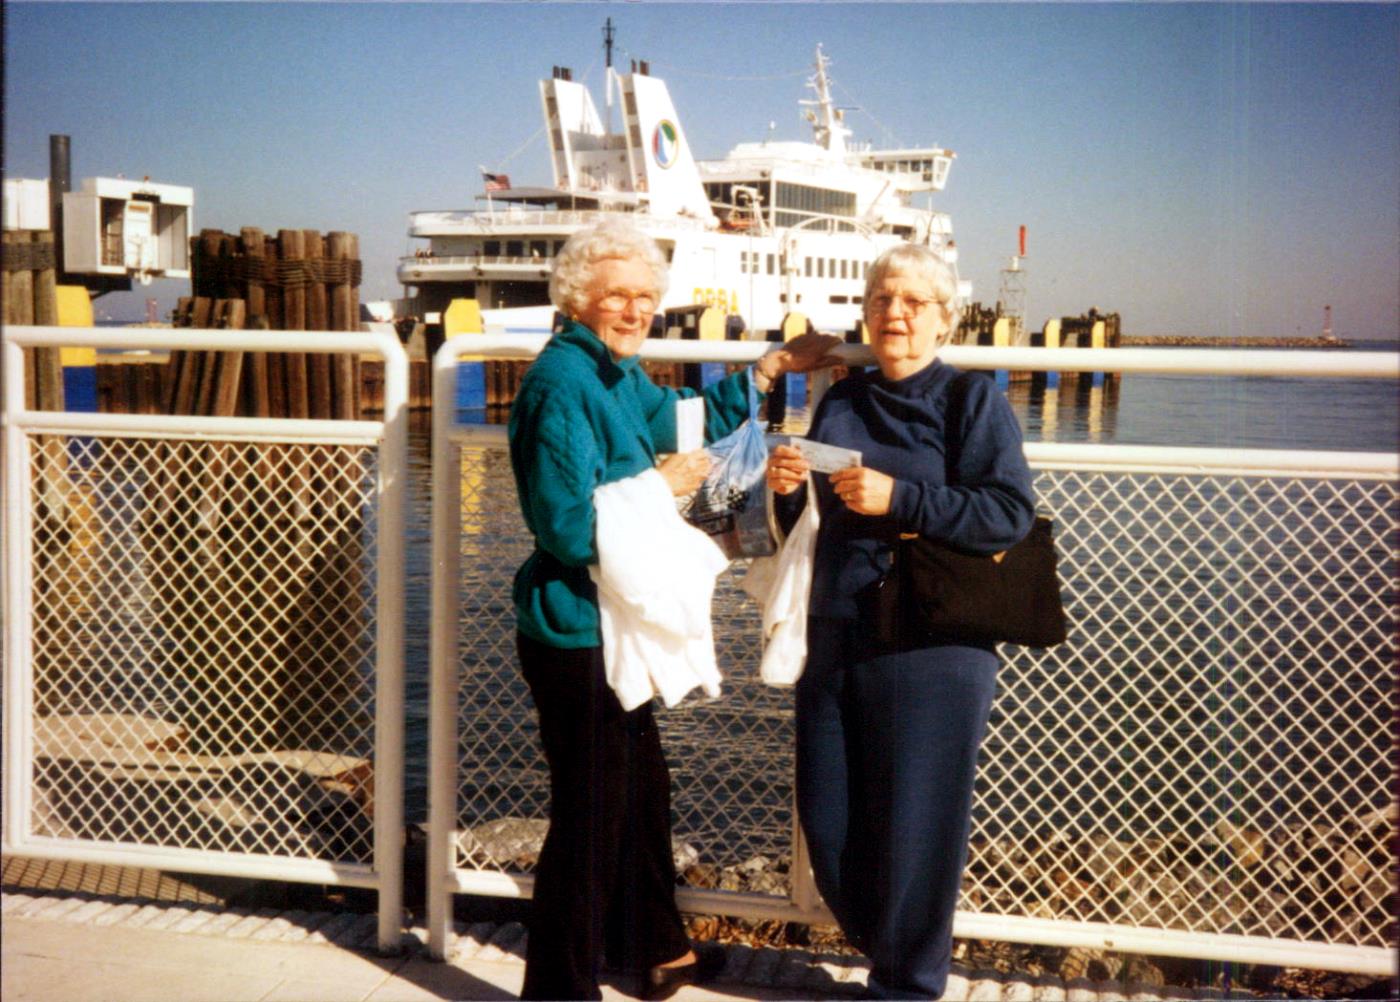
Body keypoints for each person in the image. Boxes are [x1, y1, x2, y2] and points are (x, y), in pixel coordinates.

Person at [508, 217, 840, 1001]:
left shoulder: (612, 372)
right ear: (577, 299)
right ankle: (558, 989)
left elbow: (677, 419)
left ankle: (654, 948)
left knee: (642, 792)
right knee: (591, 818)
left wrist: (766, 371)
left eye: (645, 298)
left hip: (611, 622)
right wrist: (662, 488)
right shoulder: (561, 384)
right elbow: (565, 527)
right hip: (574, 628)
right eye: (616, 296)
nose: (634, 311)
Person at [767, 244, 1036, 999]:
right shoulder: (843, 400)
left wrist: (902, 498)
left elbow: (1009, 513)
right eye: (883, 299)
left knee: (917, 829)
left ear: (945, 319)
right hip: (838, 625)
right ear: (865, 312)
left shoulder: (969, 400)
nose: (896, 313)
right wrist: (785, 488)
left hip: (932, 638)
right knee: (828, 822)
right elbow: (808, 519)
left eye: (915, 302)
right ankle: (886, 951)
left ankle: (908, 985)